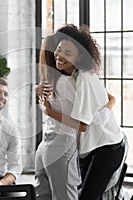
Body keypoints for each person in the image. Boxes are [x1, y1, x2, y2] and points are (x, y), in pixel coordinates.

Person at [40, 24, 126, 200]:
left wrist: (49, 112)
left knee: (88, 197)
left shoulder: (84, 79)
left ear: (80, 58)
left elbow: (83, 125)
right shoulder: (76, 76)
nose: (60, 55)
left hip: (106, 148)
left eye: (68, 53)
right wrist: (105, 109)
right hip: (92, 146)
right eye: (59, 49)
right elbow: (109, 97)